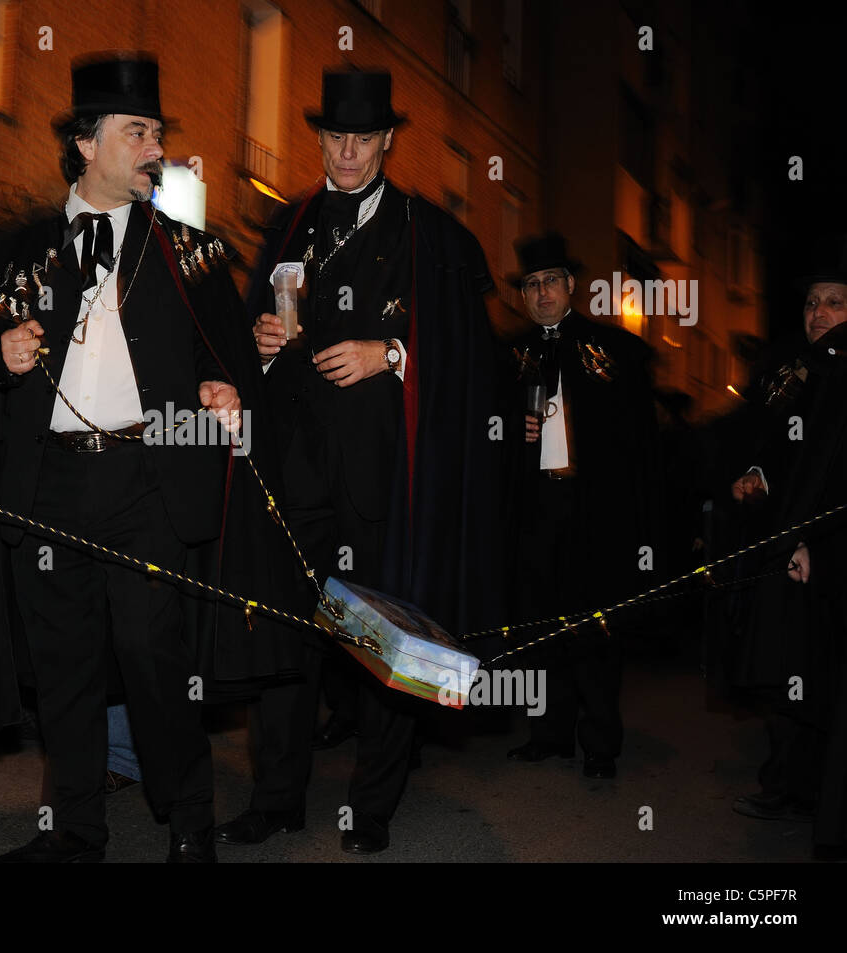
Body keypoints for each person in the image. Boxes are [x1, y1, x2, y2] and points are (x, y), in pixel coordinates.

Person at [0, 52, 292, 863]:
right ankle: (75, 830)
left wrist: (223, 391)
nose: (155, 146)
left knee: (152, 655)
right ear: (85, 142)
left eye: (159, 132)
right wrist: (1, 357)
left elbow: (231, 363)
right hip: (49, 480)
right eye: (137, 131)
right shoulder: (19, 253)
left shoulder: (193, 254)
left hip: (149, 478)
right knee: (62, 665)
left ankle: (189, 821)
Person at [217, 69, 506, 854]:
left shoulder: (429, 235)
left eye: (362, 137)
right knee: (285, 638)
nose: (346, 151)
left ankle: (371, 805)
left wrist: (395, 351)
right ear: (319, 138)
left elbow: (476, 359)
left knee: (381, 638)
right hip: (294, 473)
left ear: (387, 140)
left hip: (384, 478)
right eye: (333, 137)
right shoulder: (288, 225)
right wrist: (259, 345)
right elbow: (242, 339)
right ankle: (277, 795)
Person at [502, 233, 659, 781]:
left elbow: (640, 441)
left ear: (571, 286)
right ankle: (548, 733)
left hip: (595, 511)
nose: (541, 292)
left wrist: (641, 525)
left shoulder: (613, 352)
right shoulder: (508, 355)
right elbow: (480, 435)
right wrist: (506, 435)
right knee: (540, 625)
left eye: (550, 281)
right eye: (531, 284)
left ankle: (599, 743)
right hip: (535, 509)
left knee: (593, 627)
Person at [728, 249, 847, 857]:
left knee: (818, 669)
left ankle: (812, 790)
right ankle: (788, 784)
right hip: (787, 544)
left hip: (828, 551)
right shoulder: (793, 371)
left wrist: (811, 536)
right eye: (810, 302)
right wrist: (755, 471)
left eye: (833, 302)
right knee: (785, 665)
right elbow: (770, 442)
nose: (818, 313)